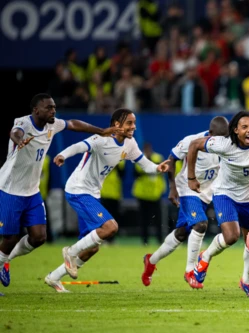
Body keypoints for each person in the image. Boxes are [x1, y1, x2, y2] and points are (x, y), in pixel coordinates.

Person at [44, 108, 170, 292]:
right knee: (110, 227)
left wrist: (158, 168)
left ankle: (54, 277)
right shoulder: (102, 139)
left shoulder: (130, 143)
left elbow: (144, 164)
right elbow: (79, 146)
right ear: (116, 125)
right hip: (78, 190)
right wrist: (63, 154)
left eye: (134, 123)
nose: (133, 127)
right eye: (129, 123)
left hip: (92, 193)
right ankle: (70, 252)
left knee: (92, 248)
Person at [0, 93, 118, 287]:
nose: (53, 110)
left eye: (54, 107)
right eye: (49, 108)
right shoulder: (23, 123)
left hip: (32, 192)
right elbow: (16, 132)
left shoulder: (52, 125)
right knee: (10, 238)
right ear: (36, 110)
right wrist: (19, 140)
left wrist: (102, 131)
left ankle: (5, 262)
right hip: (10, 189)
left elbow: (73, 123)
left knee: (39, 237)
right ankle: (3, 260)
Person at [188, 111, 249, 297]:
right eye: (245, 127)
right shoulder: (223, 144)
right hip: (226, 195)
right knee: (231, 236)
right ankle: (205, 257)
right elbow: (194, 146)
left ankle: (246, 281)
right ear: (235, 130)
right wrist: (191, 177)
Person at [141, 116, 229, 289]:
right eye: (219, 137)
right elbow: (172, 159)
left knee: (181, 233)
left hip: (206, 193)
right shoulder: (192, 141)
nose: (222, 141)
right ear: (210, 133)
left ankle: (150, 261)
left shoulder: (227, 143)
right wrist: (172, 188)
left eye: (225, 137)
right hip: (187, 189)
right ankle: (190, 270)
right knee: (201, 224)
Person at [133, 143, 166, 246]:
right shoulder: (139, 159)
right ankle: (145, 241)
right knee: (144, 219)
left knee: (157, 219)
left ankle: (160, 240)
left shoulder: (158, 157)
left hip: (155, 194)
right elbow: (136, 173)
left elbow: (162, 171)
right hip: (142, 194)